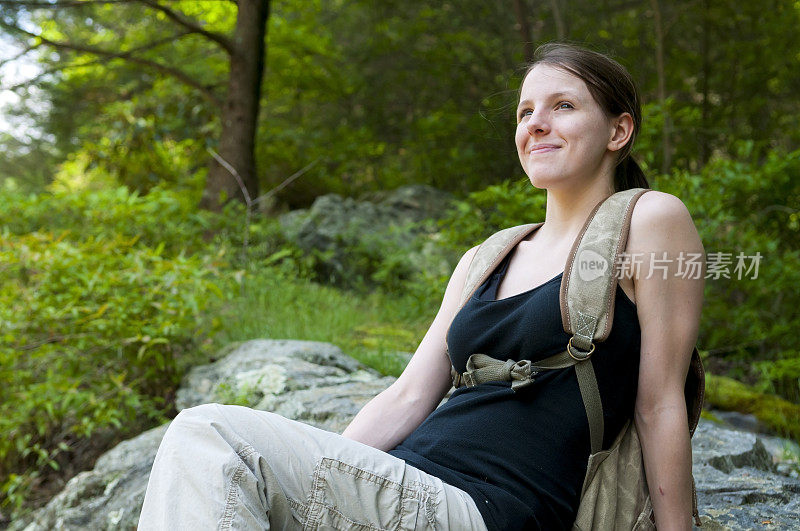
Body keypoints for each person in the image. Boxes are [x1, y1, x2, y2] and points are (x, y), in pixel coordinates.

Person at [138, 42, 705, 531]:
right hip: (400, 490)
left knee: (208, 431)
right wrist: (326, 467)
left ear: (619, 130)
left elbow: (659, 404)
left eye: (563, 106)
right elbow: (408, 396)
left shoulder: (650, 221)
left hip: (484, 510)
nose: (535, 123)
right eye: (525, 110)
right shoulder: (485, 258)